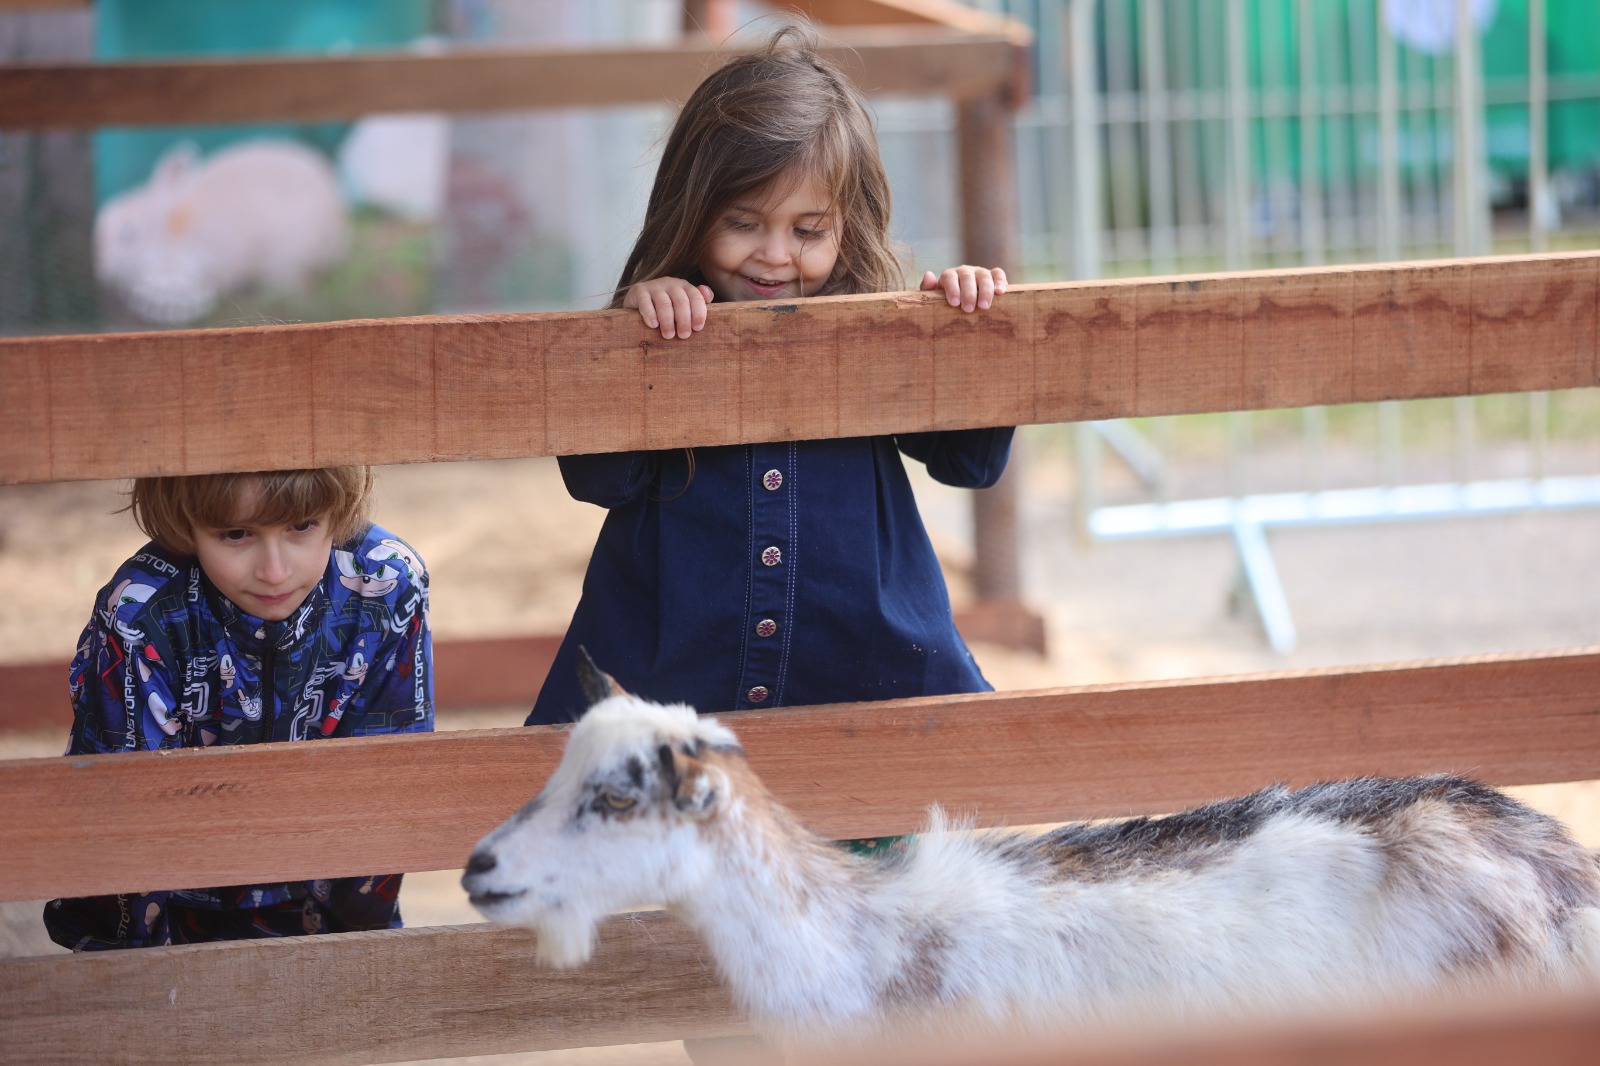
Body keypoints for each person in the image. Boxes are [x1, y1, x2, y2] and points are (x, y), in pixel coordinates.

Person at [528, 23, 1012, 727]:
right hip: (673, 683)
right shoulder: (663, 325)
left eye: (807, 231)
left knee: (934, 806)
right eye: (743, 223)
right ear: (691, 216)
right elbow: (598, 478)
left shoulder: (875, 329)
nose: (774, 257)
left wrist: (966, 330)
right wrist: (631, 336)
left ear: (848, 225)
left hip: (868, 668)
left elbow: (969, 462)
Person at [44, 466, 433, 951]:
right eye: (235, 533)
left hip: (320, 905)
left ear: (337, 511)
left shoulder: (384, 585)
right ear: (186, 524)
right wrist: (136, 976)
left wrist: (361, 944)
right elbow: (121, 813)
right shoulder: (141, 616)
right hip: (176, 912)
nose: (274, 571)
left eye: (301, 526)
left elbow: (389, 776)